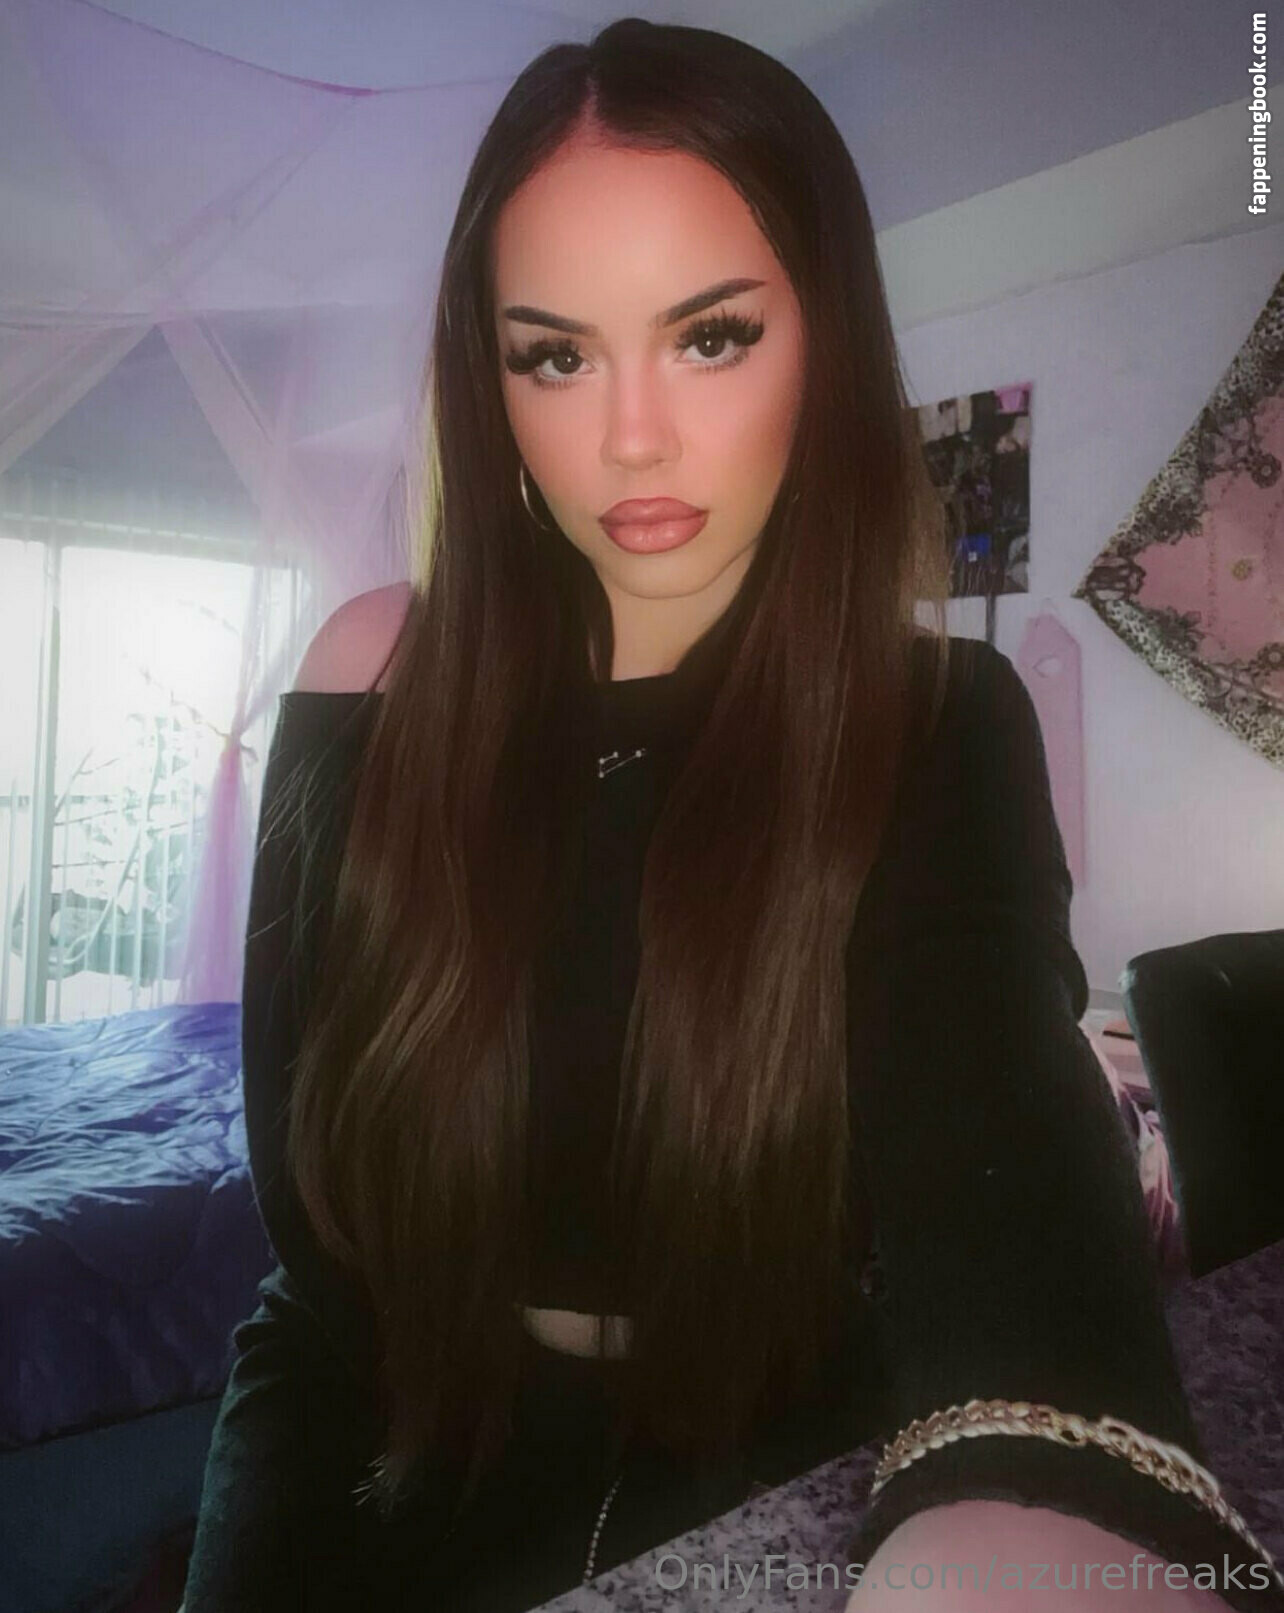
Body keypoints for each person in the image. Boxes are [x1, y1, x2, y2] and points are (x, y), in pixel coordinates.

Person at [181, 17, 1284, 1613]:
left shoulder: (934, 723)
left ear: (822, 335)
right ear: (491, 383)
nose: (630, 434)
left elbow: (1015, 1201)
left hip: (768, 1468)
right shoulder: (374, 677)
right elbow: (313, 1234)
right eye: (555, 354)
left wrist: (1042, 1509)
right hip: (369, 1439)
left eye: (709, 337)